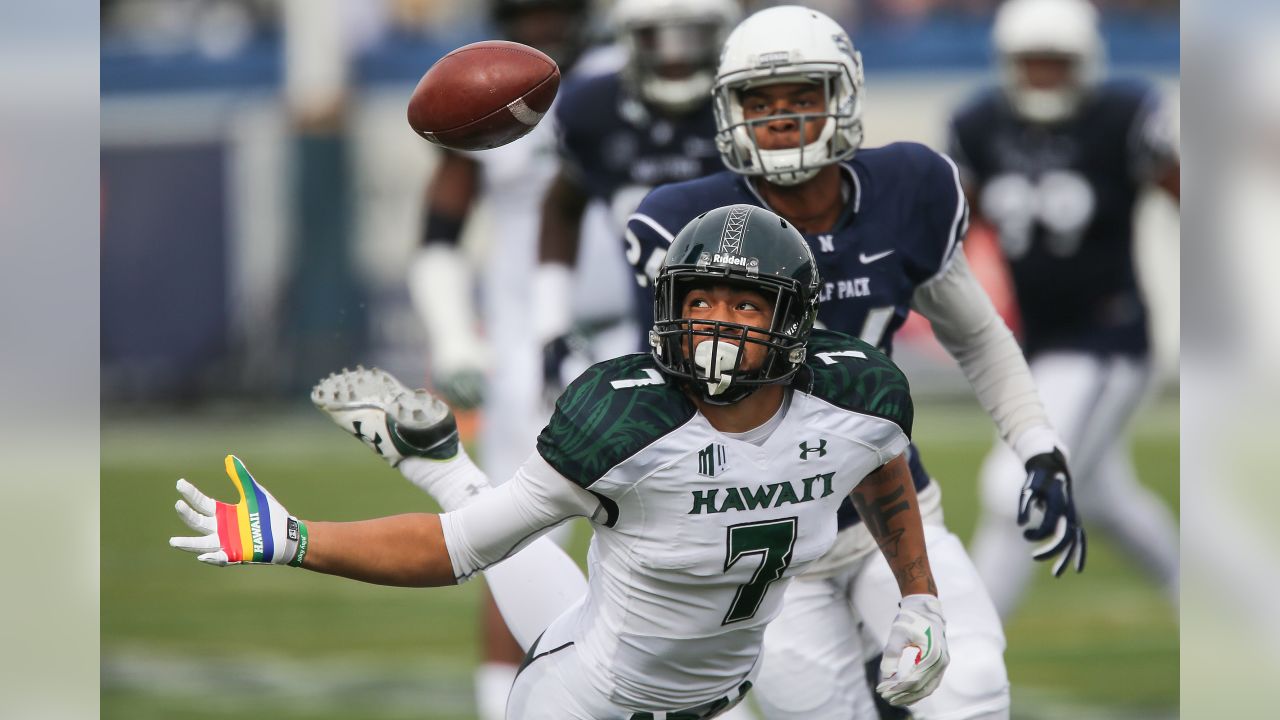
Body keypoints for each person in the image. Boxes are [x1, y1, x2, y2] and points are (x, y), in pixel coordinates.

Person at [172, 204, 951, 720]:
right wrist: (296, 538)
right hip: (585, 705)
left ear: (795, 321)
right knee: (520, 551)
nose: (713, 325)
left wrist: (919, 599)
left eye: (743, 305)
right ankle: (445, 471)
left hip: (713, 700)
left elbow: (882, 468)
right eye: (698, 301)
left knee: (572, 610)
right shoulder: (626, 417)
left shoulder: (859, 396)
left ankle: (444, 463)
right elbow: (458, 551)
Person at [621, 6, 1086, 719]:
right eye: (759, 101)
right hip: (760, 532)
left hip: (890, 511)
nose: (779, 117)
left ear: (841, 96)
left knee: (972, 691)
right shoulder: (694, 221)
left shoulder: (907, 189)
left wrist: (1039, 445)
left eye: (801, 96)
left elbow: (977, 336)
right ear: (729, 109)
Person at [406, 1, 620, 715]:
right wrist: (453, 336)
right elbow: (438, 236)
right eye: (531, 8)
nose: (546, 21)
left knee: (679, 519)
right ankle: (503, 705)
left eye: (558, 7)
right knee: (513, 531)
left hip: (644, 329)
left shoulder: (622, 85)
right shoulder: (484, 87)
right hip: (526, 345)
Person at [948, 0, 1180, 619]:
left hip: (1107, 339)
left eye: (1057, 62)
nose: (1044, 75)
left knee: (1016, 485)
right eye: (1032, 62)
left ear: (1085, 61)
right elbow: (952, 227)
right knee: (1104, 499)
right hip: (1040, 343)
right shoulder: (979, 124)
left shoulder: (1123, 115)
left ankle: (962, 655)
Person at [534, 0, 739, 390]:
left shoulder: (743, 105)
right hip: (653, 336)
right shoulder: (593, 109)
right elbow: (562, 208)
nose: (674, 54)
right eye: (655, 37)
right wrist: (552, 324)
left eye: (691, 36)